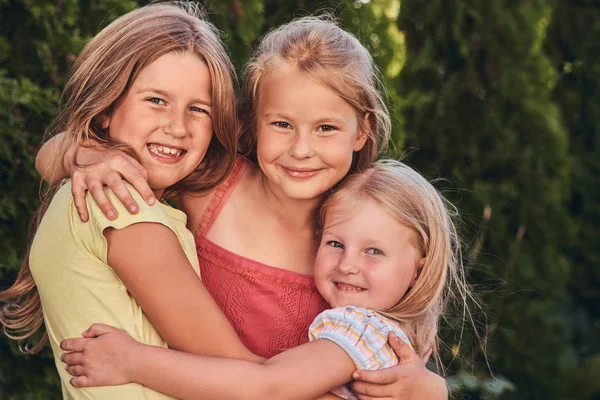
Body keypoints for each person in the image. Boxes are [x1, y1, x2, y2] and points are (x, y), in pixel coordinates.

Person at [34, 15, 448, 399]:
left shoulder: (364, 239)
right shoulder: (211, 184)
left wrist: (434, 391)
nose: (301, 151)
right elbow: (51, 154)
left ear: (362, 131)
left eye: (325, 128)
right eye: (282, 125)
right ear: (253, 122)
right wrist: (91, 157)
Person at [0, 4, 259, 399]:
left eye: (198, 109)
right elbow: (246, 381)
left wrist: (82, 152)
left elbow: (51, 152)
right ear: (105, 108)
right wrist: (352, 365)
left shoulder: (87, 186)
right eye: (156, 100)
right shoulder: (122, 206)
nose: (177, 127)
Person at [60, 159, 465, 400]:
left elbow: (265, 389)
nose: (348, 265)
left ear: (419, 267)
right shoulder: (400, 341)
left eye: (374, 251)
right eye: (336, 242)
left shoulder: (360, 329)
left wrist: (136, 362)